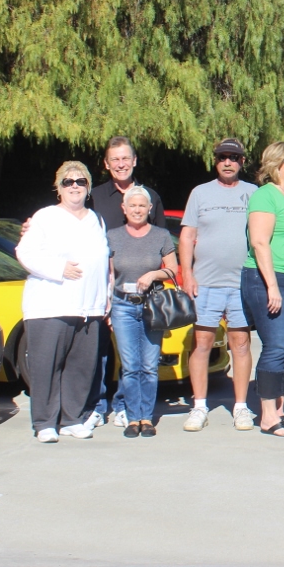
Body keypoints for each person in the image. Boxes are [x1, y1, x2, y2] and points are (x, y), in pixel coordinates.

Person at [15, 162, 110, 442]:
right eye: (68, 182)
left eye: (81, 181)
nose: (74, 187)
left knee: (80, 367)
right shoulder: (44, 217)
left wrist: (105, 301)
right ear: (58, 187)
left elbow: (104, 263)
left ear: (88, 187)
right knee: (47, 367)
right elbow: (25, 252)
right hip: (50, 306)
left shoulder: (97, 220)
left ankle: (72, 419)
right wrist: (59, 269)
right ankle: (44, 422)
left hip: (88, 308)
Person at [87, 136, 165, 429]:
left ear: (134, 161)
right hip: (109, 288)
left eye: (125, 159)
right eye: (114, 160)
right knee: (103, 352)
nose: (121, 164)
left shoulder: (151, 197)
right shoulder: (94, 196)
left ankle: (125, 406)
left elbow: (157, 243)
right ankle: (98, 405)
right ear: (107, 164)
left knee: (134, 361)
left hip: (144, 297)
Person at [178, 139, 257, 433]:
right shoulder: (200, 193)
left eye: (234, 158)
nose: (228, 162)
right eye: (223, 157)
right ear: (215, 161)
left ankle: (240, 407)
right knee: (202, 344)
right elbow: (187, 236)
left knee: (240, 344)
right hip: (206, 283)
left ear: (242, 161)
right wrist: (187, 274)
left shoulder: (254, 193)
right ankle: (199, 406)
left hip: (242, 283)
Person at [241, 142, 284, 437]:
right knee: (278, 345)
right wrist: (272, 286)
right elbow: (259, 242)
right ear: (276, 164)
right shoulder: (264, 196)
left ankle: (280, 402)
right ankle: (268, 415)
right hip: (268, 279)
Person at [108, 186, 178, 438]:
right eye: (132, 206)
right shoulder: (112, 236)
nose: (137, 210)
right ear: (124, 209)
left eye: (142, 206)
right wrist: (107, 307)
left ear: (149, 209)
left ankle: (146, 418)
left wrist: (153, 274)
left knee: (149, 365)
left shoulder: (160, 235)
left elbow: (172, 268)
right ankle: (132, 417)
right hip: (122, 306)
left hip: (152, 306)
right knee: (130, 365)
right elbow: (108, 275)